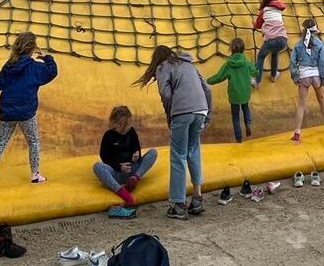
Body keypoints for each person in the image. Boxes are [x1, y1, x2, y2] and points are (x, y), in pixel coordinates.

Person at [135, 46, 212, 221]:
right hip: (201, 109)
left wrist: (171, 116)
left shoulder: (163, 67)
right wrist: (208, 113)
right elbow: (207, 88)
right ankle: (197, 198)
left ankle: (179, 204)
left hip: (182, 112)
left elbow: (166, 94)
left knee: (178, 154)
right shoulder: (189, 64)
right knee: (194, 150)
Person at [0, 32, 58, 190]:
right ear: (32, 48)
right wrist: (47, 57)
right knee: (33, 142)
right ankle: (35, 174)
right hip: (27, 114)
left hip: (7, 113)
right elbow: (52, 72)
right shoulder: (35, 68)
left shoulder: (10, 65)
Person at [93, 105, 158, 207]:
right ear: (114, 123)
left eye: (126, 125)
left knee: (153, 152)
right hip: (116, 173)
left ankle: (134, 179)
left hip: (133, 170)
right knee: (97, 166)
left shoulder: (131, 132)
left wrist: (136, 155)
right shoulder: (108, 135)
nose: (124, 129)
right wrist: (119, 167)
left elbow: (137, 149)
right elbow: (105, 157)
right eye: (121, 125)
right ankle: (123, 192)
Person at [289, 19, 324, 142]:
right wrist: (323, 76)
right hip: (316, 75)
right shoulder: (319, 43)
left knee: (302, 104)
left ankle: (297, 132)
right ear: (314, 31)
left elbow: (293, 62)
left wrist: (295, 76)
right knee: (321, 99)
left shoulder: (298, 45)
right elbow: (323, 61)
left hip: (304, 75)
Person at [207, 38, 257, 142]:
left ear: (231, 49)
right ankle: (248, 124)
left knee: (235, 116)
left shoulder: (228, 65)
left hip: (234, 94)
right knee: (246, 107)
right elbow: (255, 72)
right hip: (245, 92)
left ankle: (238, 138)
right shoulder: (246, 62)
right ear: (243, 49)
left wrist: (208, 80)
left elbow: (219, 77)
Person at [252, 0, 288, 86]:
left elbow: (258, 25)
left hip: (272, 39)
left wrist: (254, 24)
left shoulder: (264, 10)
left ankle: (257, 81)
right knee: (275, 53)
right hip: (283, 39)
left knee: (261, 56)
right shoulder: (278, 10)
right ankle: (274, 75)